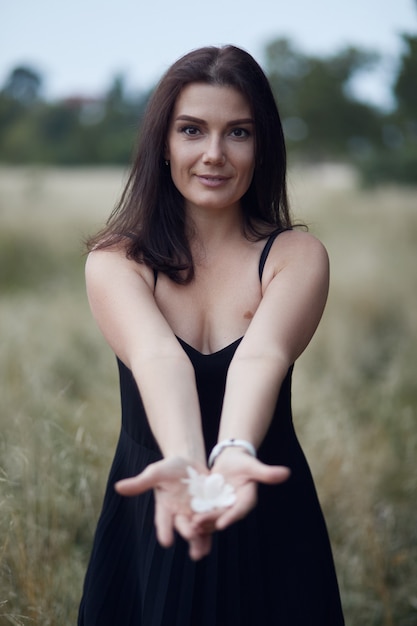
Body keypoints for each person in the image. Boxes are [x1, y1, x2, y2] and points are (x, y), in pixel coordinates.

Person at [78, 45, 345, 625]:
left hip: (266, 503)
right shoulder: (116, 261)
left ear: (262, 144)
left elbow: (262, 358)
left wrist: (230, 457)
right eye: (192, 130)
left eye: (239, 132)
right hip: (157, 504)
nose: (214, 155)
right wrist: (187, 467)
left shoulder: (295, 257)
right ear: (163, 143)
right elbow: (156, 359)